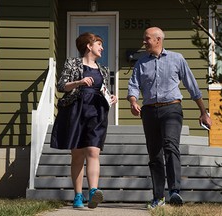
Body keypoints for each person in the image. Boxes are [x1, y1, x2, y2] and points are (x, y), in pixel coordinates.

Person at [127, 27, 212, 208]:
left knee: (170, 146)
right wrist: (133, 102)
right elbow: (133, 86)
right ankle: (158, 197)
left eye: (147, 38)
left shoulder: (177, 59)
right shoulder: (141, 63)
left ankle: (174, 191)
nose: (144, 42)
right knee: (155, 154)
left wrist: (203, 112)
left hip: (172, 109)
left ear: (158, 40)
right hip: (149, 112)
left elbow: (192, 86)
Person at [50, 32, 117, 209]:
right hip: (76, 110)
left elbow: (104, 90)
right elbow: (61, 86)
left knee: (94, 152)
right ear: (89, 46)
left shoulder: (102, 69)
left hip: (97, 112)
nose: (102, 48)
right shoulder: (72, 63)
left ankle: (93, 192)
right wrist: (79, 82)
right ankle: (78, 195)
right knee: (78, 154)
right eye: (99, 44)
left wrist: (111, 98)